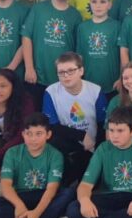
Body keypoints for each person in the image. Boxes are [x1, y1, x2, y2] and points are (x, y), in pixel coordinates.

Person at [0, 112, 75, 218]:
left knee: (68, 194)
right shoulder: (12, 153)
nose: (33, 139)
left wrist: (36, 214)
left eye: (39, 134)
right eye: (29, 134)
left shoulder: (55, 155)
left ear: (48, 135)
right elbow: (6, 185)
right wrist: (20, 206)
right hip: (21, 197)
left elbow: (51, 190)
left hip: (44, 196)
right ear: (23, 134)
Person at [43, 52, 107, 183]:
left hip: (93, 145)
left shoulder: (95, 91)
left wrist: (97, 149)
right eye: (61, 72)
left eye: (71, 71)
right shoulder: (51, 92)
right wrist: (81, 135)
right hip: (67, 143)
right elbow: (52, 126)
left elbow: (103, 124)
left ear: (81, 71)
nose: (66, 76)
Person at [21, 0, 81, 106]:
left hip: (64, 78)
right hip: (37, 76)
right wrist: (29, 67)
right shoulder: (38, 9)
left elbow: (77, 48)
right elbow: (26, 37)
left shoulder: (75, 15)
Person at [75, 0, 121, 96]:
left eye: (102, 2)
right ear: (90, 4)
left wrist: (121, 77)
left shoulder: (117, 26)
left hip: (113, 84)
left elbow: (123, 55)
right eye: (94, 2)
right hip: (88, 84)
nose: (98, 6)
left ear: (109, 5)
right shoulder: (82, 27)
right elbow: (79, 56)